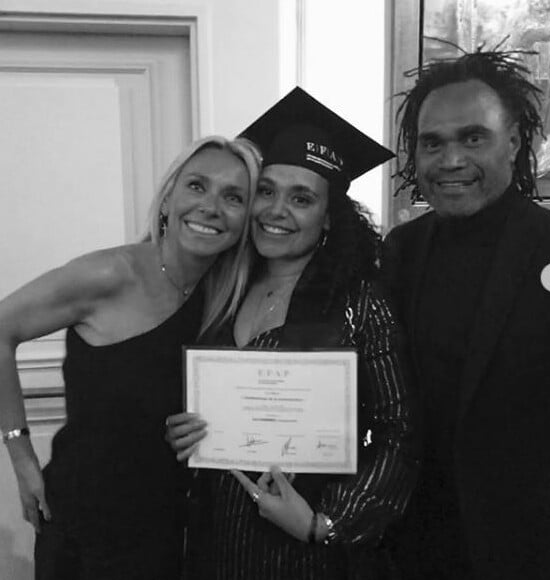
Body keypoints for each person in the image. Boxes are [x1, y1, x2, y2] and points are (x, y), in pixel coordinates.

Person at [167, 87, 419, 580]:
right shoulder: (221, 288)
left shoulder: (357, 305)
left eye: (301, 198)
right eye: (267, 190)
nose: (276, 210)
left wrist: (325, 523)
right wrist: (186, 429)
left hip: (305, 557)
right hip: (212, 542)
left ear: (327, 218)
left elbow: (400, 435)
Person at [0, 135, 261, 580]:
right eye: (197, 186)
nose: (211, 206)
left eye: (233, 197)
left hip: (174, 527)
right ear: (168, 198)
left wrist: (209, 426)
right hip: (88, 525)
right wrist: (21, 454)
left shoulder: (228, 296)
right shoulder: (109, 275)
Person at [383, 47, 550, 580]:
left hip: (534, 547)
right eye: (432, 143)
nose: (450, 160)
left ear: (513, 143)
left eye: (474, 137)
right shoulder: (400, 251)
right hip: (418, 543)